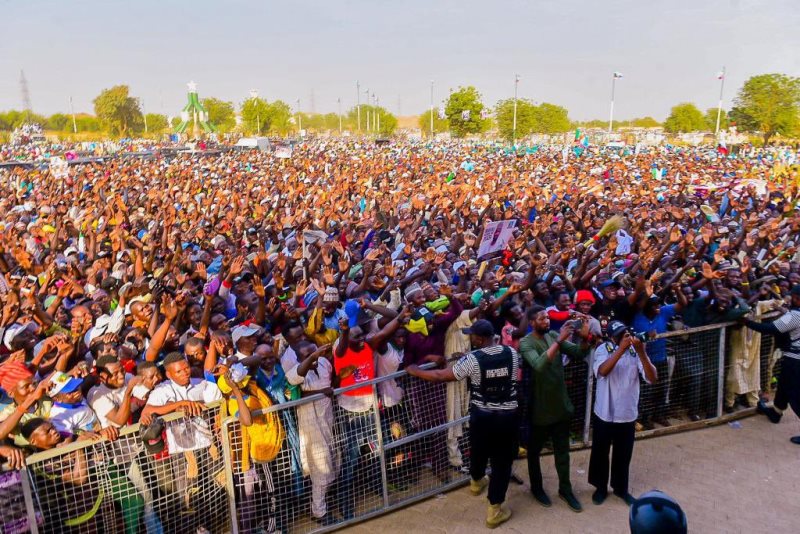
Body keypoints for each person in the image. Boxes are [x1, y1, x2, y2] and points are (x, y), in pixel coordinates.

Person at [407, 319, 520, 529]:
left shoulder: (472, 359)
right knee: (501, 463)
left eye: (472, 336)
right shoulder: (511, 353)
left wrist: (415, 370)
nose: (470, 338)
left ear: (479, 339)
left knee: (478, 451)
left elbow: (441, 375)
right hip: (507, 416)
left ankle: (477, 483)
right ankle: (494, 507)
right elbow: (494, 362)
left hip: (482, 416)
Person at [519, 306, 591, 512]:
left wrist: (584, 337)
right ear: (532, 322)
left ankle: (565, 490)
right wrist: (559, 341)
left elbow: (579, 352)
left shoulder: (552, 335)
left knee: (563, 452)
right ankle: (537, 488)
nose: (547, 321)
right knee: (534, 452)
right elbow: (538, 365)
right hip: (539, 410)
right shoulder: (526, 343)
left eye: (547, 318)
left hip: (560, 406)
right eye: (542, 318)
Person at [589, 320, 658, 506]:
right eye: (620, 335)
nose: (625, 337)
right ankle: (600, 488)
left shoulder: (636, 351)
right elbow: (602, 371)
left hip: (627, 413)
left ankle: (621, 489)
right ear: (612, 338)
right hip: (604, 412)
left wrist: (642, 352)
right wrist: (621, 349)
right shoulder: (603, 349)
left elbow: (652, 378)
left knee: (623, 453)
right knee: (600, 452)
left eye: (626, 333)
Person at [743, 284, 800, 445]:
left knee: (795, 395)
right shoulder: (794, 314)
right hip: (794, 358)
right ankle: (776, 412)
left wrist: (747, 322)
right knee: (783, 386)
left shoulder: (795, 315)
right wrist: (783, 310)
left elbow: (770, 328)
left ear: (796, 298)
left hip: (795, 360)